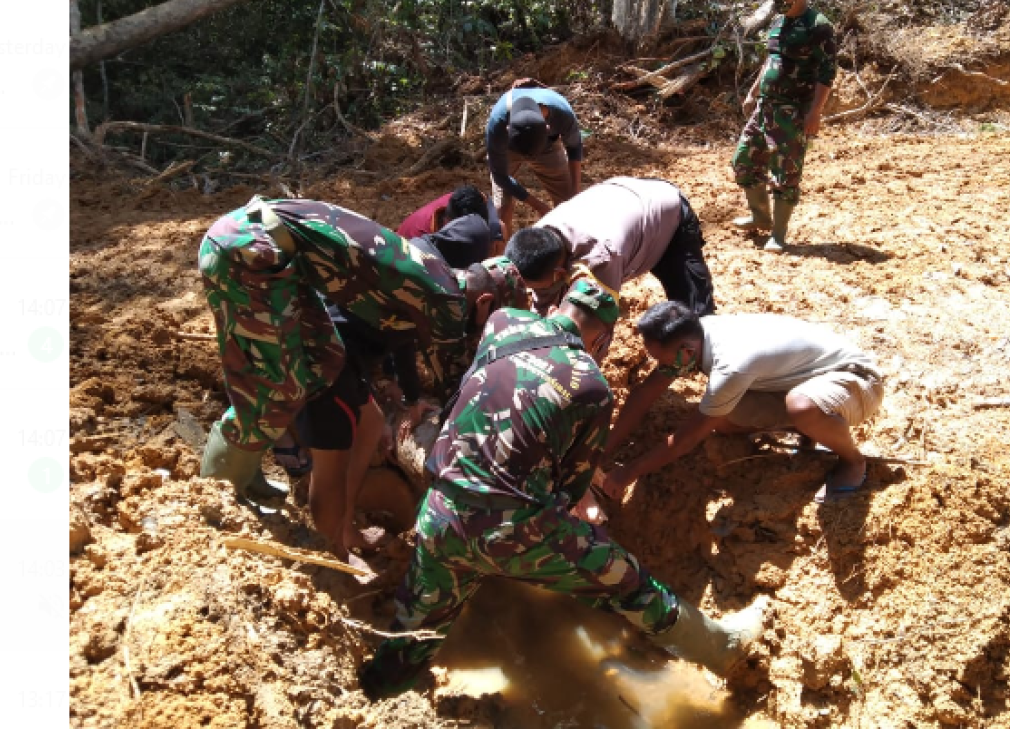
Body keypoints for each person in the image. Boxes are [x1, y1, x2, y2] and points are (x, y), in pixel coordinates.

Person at [357, 281, 766, 699]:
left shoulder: (502, 323)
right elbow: (570, 491)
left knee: (417, 625)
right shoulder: (590, 385)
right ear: (602, 337)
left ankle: (376, 695)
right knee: (629, 583)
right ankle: (723, 648)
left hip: (440, 513)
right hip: (515, 530)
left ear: (558, 305)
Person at [196, 194, 526, 504]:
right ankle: (220, 487)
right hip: (250, 252)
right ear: (484, 303)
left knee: (325, 363)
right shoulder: (449, 304)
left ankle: (246, 466)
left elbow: (398, 338)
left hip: (269, 247)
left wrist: (407, 397)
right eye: (488, 321)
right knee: (275, 385)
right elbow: (457, 382)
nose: (480, 331)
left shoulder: (435, 279)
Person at [601, 302, 884, 504]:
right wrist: (603, 450)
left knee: (801, 407)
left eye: (662, 361)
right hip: (799, 380)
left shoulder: (731, 365)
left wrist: (629, 472)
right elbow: (645, 394)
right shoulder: (696, 335)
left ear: (686, 351)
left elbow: (689, 437)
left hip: (857, 382)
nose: (661, 368)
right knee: (724, 418)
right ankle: (807, 428)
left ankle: (852, 461)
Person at [504, 176, 717, 327]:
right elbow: (543, 303)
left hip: (667, 210)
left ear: (560, 273)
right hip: (622, 198)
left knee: (695, 313)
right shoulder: (536, 240)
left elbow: (599, 323)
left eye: (538, 287)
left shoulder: (600, 258)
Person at [732, 0, 837, 253]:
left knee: (786, 170)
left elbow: (827, 72)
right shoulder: (779, 24)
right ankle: (759, 216)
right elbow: (770, 61)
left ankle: (778, 234)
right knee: (744, 159)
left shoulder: (818, 25)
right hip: (765, 107)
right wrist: (754, 93)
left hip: (793, 111)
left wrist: (815, 112)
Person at [486, 81, 584, 238]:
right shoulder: (498, 123)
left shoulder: (562, 114)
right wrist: (539, 206)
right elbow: (500, 176)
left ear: (547, 127)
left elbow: (574, 149)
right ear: (508, 128)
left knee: (568, 203)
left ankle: (568, 248)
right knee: (501, 211)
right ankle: (503, 253)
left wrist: (575, 193)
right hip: (509, 148)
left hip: (548, 147)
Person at [396, 184, 504, 256]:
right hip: (407, 258)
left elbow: (486, 202)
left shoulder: (464, 200)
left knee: (499, 232)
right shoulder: (425, 240)